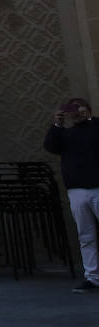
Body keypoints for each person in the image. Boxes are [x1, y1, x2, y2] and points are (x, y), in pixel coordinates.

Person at [44, 96, 99, 293]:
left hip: (97, 188)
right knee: (86, 236)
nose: (75, 113)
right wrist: (57, 124)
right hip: (76, 190)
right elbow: (51, 146)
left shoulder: (96, 127)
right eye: (71, 109)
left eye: (78, 108)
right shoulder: (66, 134)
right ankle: (92, 277)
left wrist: (90, 118)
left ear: (87, 109)